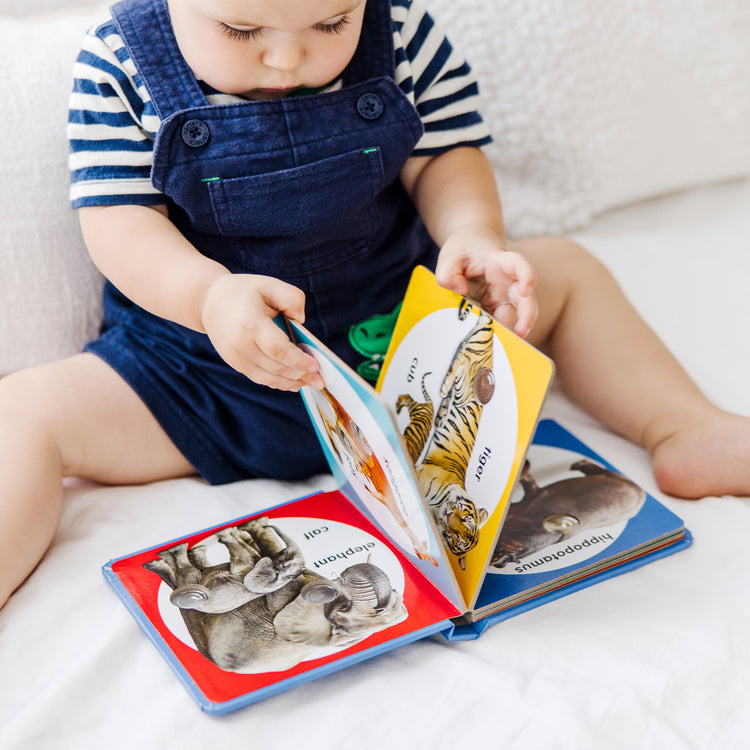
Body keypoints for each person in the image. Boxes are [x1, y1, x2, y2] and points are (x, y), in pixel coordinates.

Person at [1, 0, 749, 611]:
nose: (287, 58)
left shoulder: (404, 34)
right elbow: (117, 222)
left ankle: (684, 426)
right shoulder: (121, 59)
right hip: (202, 378)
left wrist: (474, 237)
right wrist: (207, 295)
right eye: (241, 30)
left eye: (331, 23)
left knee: (566, 269)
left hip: (405, 359)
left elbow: (447, 155)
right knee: (27, 411)